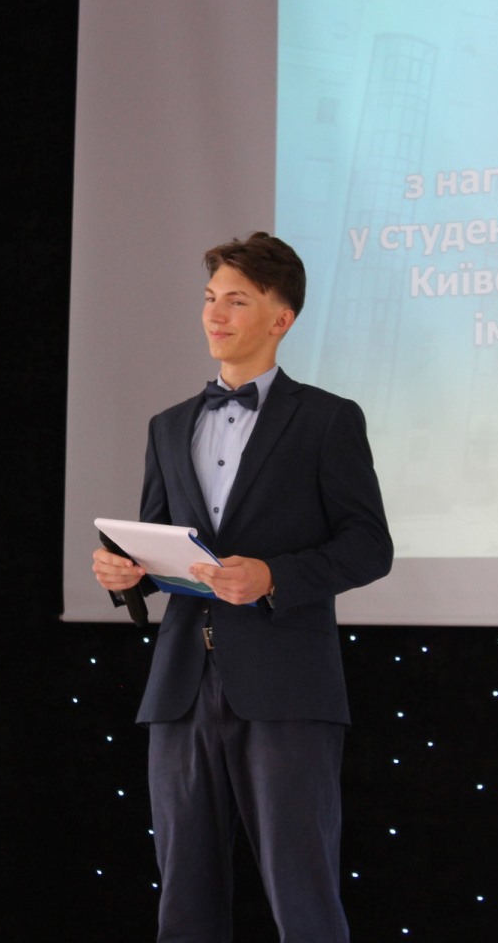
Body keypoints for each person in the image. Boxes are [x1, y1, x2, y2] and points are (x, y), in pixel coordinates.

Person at [92, 233, 393, 942]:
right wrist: (124, 573)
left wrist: (274, 575)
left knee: (303, 894)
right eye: (209, 299)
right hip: (181, 687)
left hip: (288, 685)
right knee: (184, 901)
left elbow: (369, 546)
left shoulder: (328, 419)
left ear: (281, 318)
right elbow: (156, 539)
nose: (215, 314)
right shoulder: (168, 426)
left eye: (237, 300)